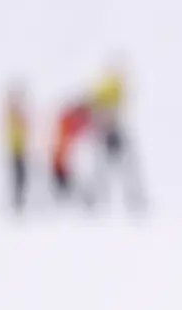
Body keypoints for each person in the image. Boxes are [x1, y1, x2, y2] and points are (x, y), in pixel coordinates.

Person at [87, 66, 146, 214]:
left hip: (113, 132)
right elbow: (100, 107)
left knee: (122, 167)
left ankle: (131, 198)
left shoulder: (111, 90)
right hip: (108, 133)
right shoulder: (109, 89)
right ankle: (97, 198)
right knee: (105, 168)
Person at [49, 99, 90, 205]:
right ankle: (66, 195)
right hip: (62, 157)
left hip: (66, 156)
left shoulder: (70, 122)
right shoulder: (66, 123)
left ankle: (71, 195)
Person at [3, 86, 28, 213]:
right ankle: (17, 203)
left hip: (19, 149)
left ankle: (19, 201)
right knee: (18, 177)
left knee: (21, 177)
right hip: (16, 150)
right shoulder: (12, 114)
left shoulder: (15, 114)